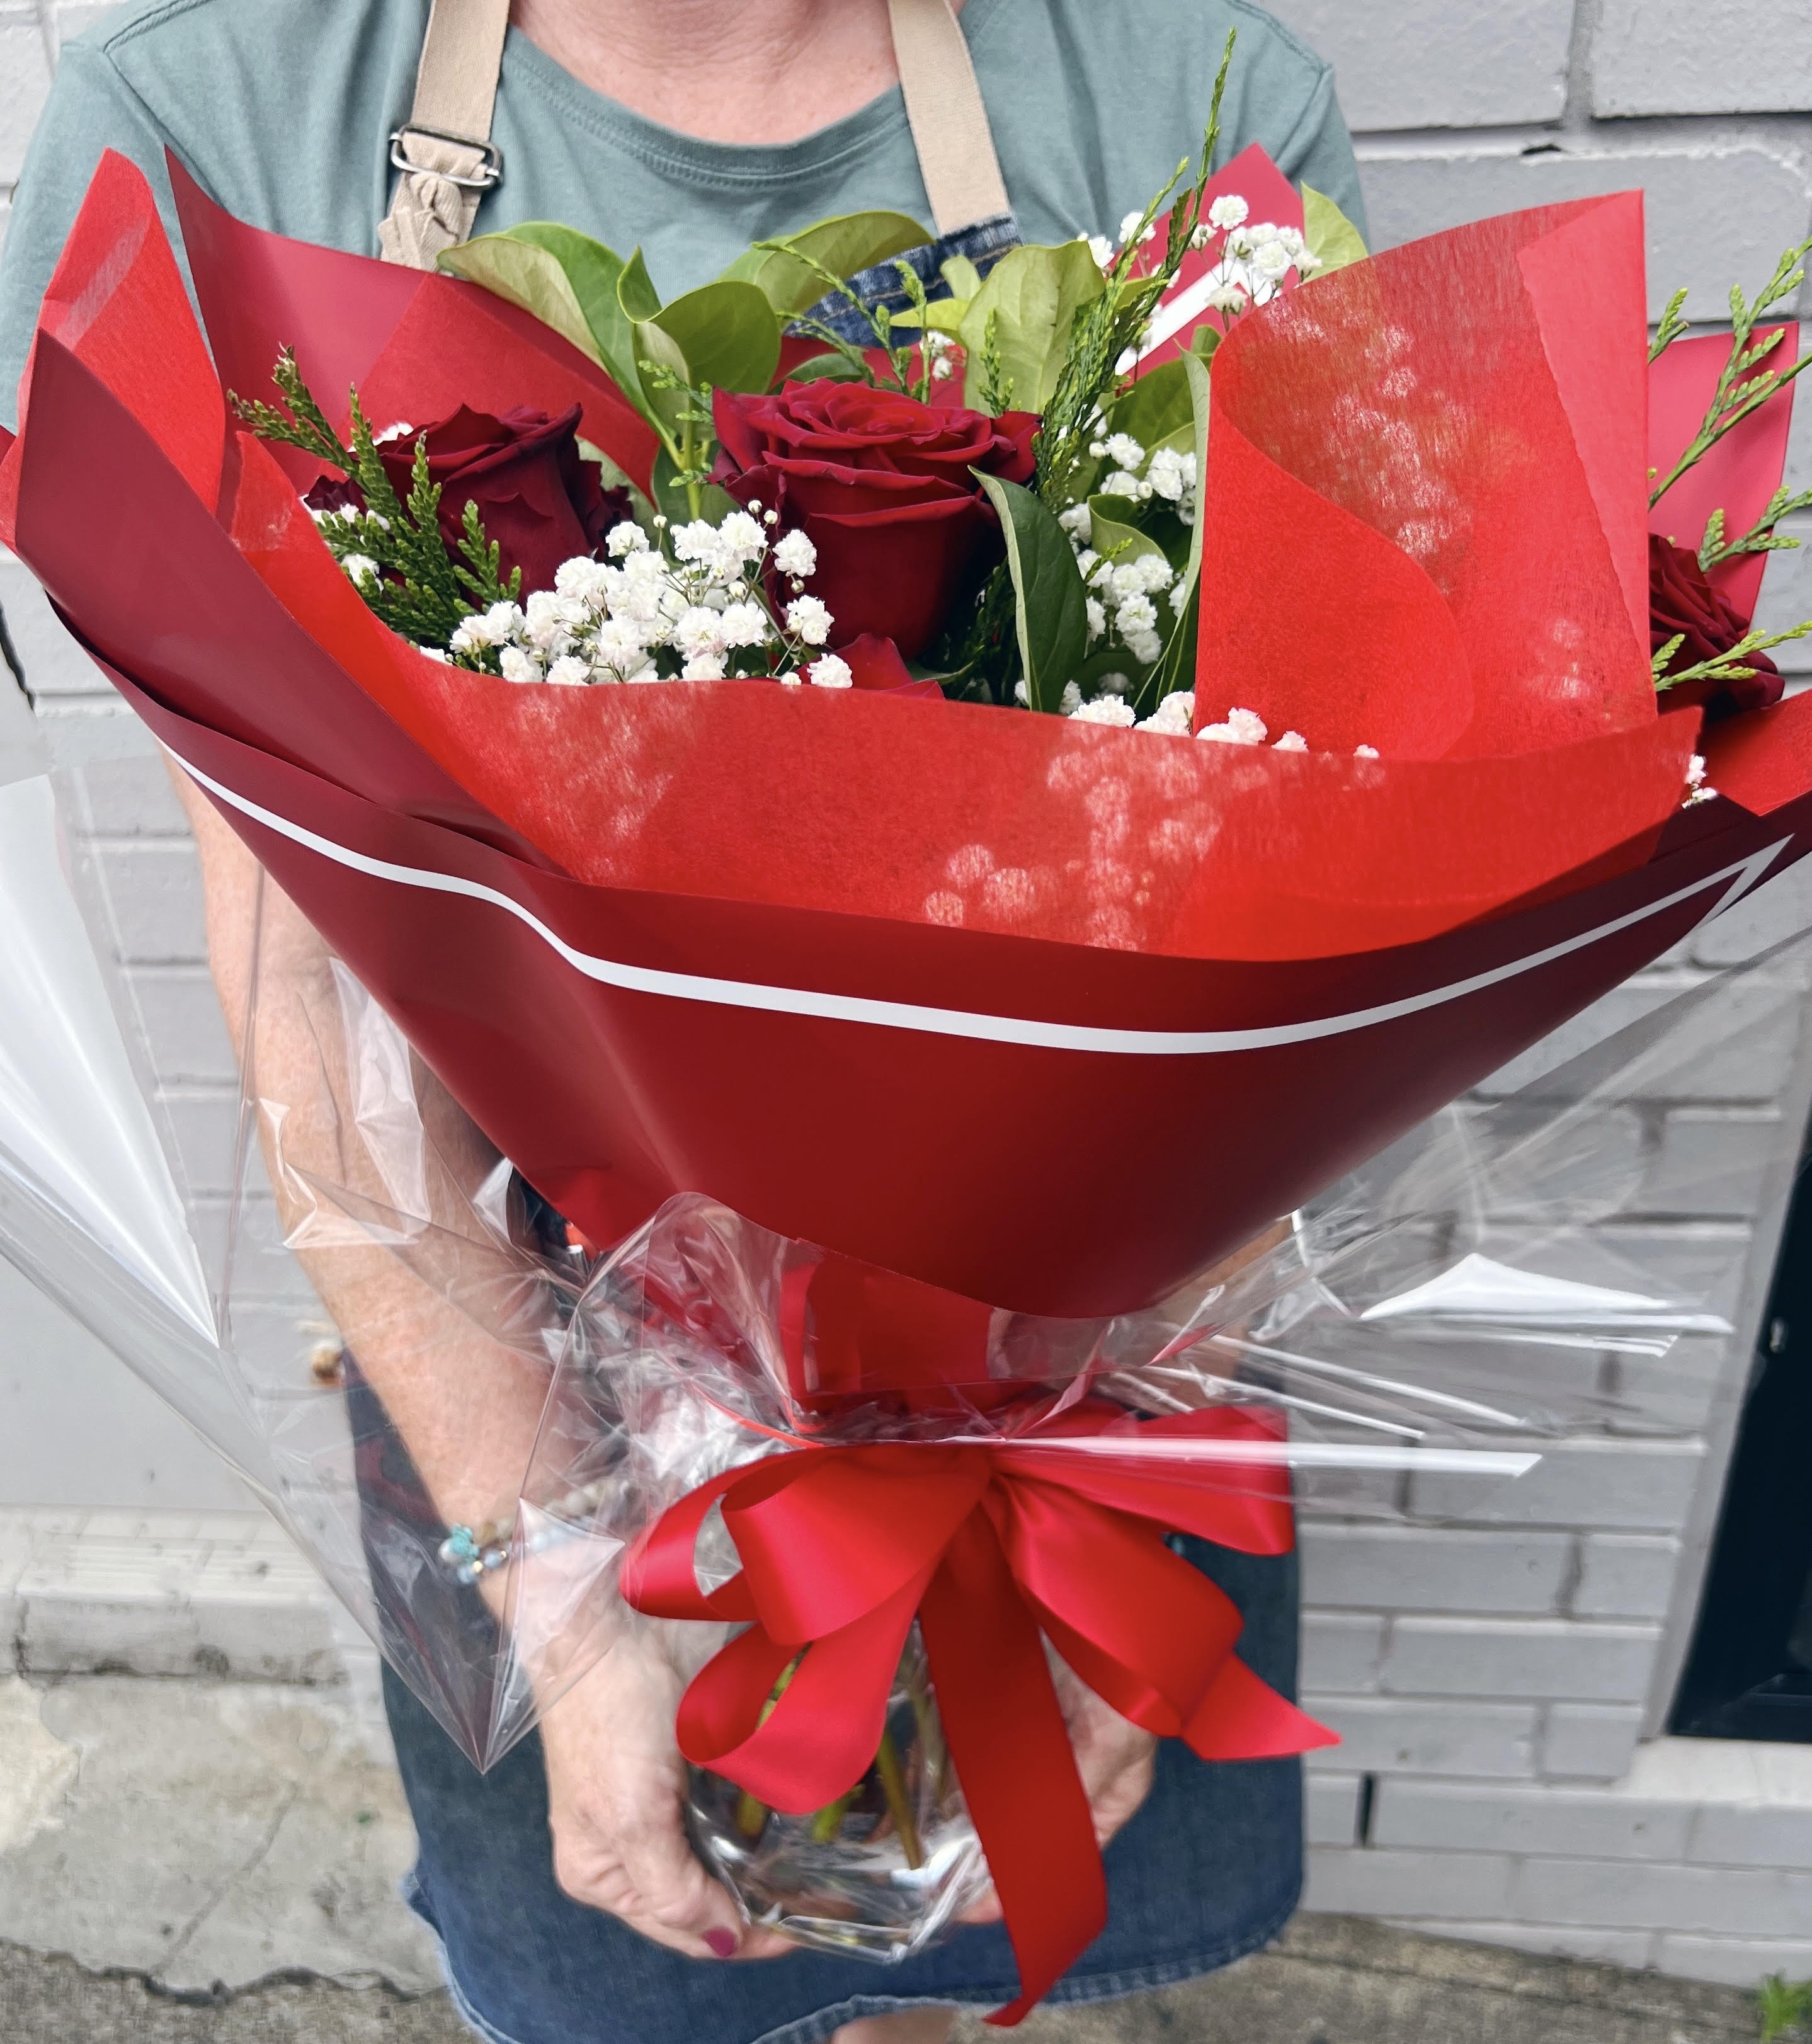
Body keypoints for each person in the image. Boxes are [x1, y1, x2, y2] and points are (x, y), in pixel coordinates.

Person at [0, 5, 1365, 2041]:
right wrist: (556, 1595)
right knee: (656, 1967)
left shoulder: (1196, 101)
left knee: (981, 1962)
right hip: (526, 1364)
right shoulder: (204, 126)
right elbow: (306, 964)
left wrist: (1084, 1485)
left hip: (1090, 1364)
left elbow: (1307, 935)